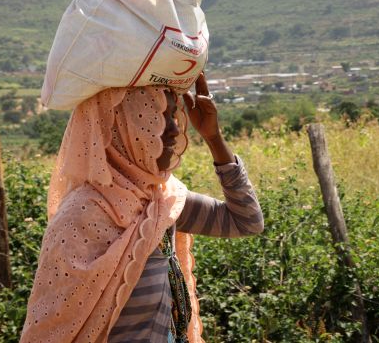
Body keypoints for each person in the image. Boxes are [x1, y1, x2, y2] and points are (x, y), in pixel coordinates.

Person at [20, 74, 263, 342]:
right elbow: (52, 329)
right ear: (126, 127)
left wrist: (213, 138)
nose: (174, 130)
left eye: (174, 115)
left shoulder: (161, 202)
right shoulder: (79, 218)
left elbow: (245, 221)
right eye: (158, 117)